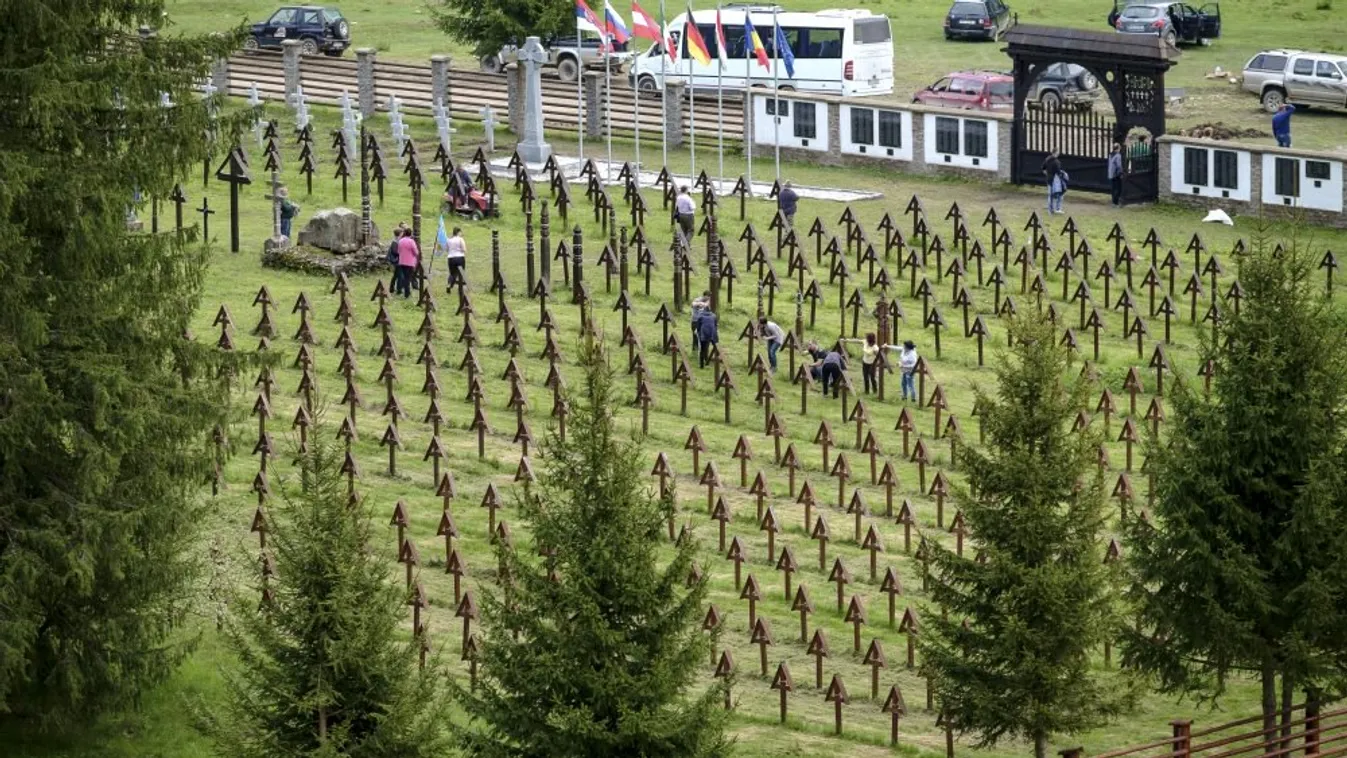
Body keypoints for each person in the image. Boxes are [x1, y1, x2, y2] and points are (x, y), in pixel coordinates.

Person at [395, 224, 420, 298]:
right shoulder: (411, 241)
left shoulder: (400, 241)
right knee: (407, 278)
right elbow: (416, 252)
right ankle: (407, 293)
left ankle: (403, 290)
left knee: (404, 277)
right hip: (410, 262)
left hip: (402, 261)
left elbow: (398, 251)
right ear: (411, 234)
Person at [1107, 143, 1124, 208]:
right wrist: (1121, 173)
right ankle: (1116, 203)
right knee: (1118, 189)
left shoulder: (1110, 154)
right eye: (1119, 147)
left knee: (1113, 189)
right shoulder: (1118, 155)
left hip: (1111, 174)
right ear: (1118, 148)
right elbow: (1119, 166)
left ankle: (1114, 202)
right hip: (1116, 174)